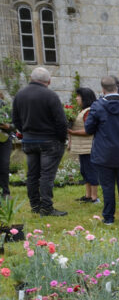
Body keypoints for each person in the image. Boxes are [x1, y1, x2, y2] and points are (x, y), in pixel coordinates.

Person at [12, 67, 68, 216]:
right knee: (46, 175)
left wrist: (25, 132)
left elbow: (15, 119)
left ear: (31, 78)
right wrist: (62, 139)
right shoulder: (50, 95)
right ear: (48, 81)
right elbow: (61, 121)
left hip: (29, 140)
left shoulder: (20, 95)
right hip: (49, 140)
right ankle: (47, 207)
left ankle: (35, 206)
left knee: (32, 175)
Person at [85, 76, 119, 225]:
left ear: (102, 89)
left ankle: (109, 218)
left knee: (107, 187)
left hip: (104, 154)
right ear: (117, 87)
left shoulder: (97, 106)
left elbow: (88, 128)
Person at [68, 87, 99, 204]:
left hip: (88, 147)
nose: (76, 98)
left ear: (85, 98)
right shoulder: (83, 111)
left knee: (91, 171)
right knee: (84, 171)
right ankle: (88, 195)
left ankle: (94, 197)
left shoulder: (89, 112)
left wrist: (72, 132)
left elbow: (88, 130)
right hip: (82, 147)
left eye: (78, 96)